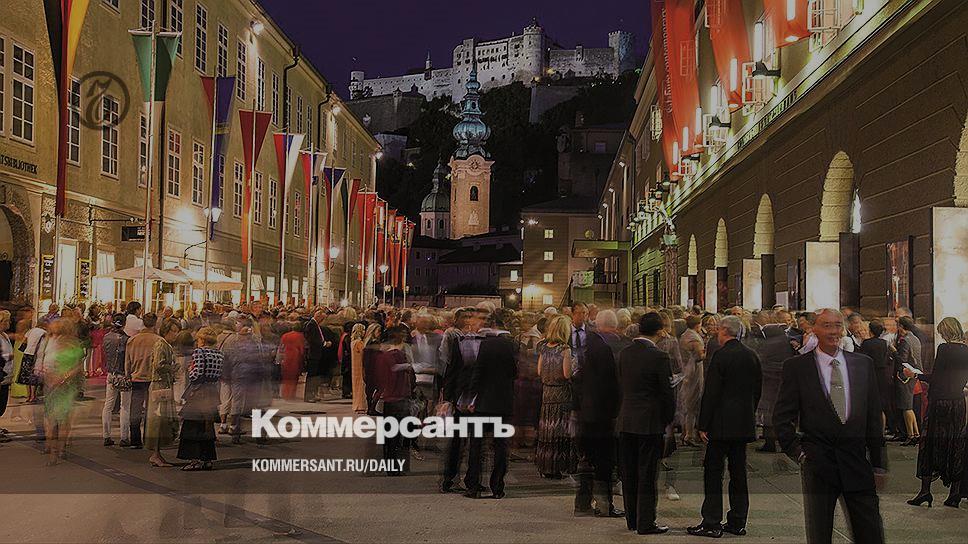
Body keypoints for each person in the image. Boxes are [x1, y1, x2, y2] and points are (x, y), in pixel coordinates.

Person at [773, 308, 887, 544]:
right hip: (819, 465)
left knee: (870, 531)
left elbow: (874, 418)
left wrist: (878, 463)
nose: (833, 331)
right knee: (820, 533)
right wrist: (799, 452)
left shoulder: (863, 364)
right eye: (826, 325)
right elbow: (782, 417)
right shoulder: (797, 367)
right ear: (814, 330)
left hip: (857, 463)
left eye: (837, 325)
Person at [687, 316, 762, 538]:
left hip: (720, 424)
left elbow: (712, 392)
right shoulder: (751, 356)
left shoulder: (721, 356)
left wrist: (703, 424)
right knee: (739, 473)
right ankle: (738, 520)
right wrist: (749, 412)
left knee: (713, 472)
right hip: (742, 423)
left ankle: (711, 522)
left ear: (724, 331)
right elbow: (757, 389)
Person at [616, 312, 675, 535]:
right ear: (659, 330)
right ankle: (646, 522)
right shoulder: (660, 357)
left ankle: (632, 519)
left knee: (629, 473)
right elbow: (667, 393)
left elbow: (621, 384)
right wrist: (667, 419)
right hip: (650, 422)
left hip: (627, 419)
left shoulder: (625, 353)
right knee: (647, 474)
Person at [906, 317, 968, 508]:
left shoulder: (944, 349)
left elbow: (937, 378)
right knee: (956, 444)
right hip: (958, 403)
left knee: (930, 443)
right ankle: (954, 494)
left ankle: (925, 492)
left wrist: (915, 374)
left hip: (941, 402)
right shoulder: (966, 350)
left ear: (946, 331)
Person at [572, 309, 623, 517]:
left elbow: (578, 378)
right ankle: (604, 505)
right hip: (604, 414)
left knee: (586, 459)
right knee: (604, 461)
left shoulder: (587, 345)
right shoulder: (611, 348)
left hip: (587, 411)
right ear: (615, 326)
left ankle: (582, 503)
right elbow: (612, 384)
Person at [464, 311, 517, 498]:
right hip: (503, 403)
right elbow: (514, 372)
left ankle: (473, 485)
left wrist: (471, 397)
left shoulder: (485, 345)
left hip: (483, 403)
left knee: (476, 446)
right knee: (501, 447)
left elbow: (478, 373)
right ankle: (497, 487)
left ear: (493, 325)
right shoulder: (512, 345)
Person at [534, 315, 577, 478]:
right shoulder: (565, 349)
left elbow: (539, 371)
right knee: (559, 432)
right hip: (561, 395)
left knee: (547, 431)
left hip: (547, 395)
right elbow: (567, 374)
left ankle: (545, 466)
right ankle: (557, 466)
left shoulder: (544, 347)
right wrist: (574, 365)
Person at [177, 326, 222, 471]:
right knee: (207, 426)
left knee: (192, 427)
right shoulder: (218, 353)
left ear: (202, 339)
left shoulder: (199, 352)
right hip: (212, 391)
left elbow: (195, 375)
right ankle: (207, 459)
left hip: (198, 392)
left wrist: (190, 370)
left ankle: (194, 460)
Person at [222, 315, 272, 443]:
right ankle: (252, 433)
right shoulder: (253, 342)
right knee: (252, 404)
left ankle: (237, 430)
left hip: (242, 375)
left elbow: (226, 360)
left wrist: (226, 375)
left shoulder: (235, 342)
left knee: (241, 404)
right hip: (247, 376)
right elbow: (261, 359)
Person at [42, 317, 85, 464]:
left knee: (54, 419)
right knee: (61, 419)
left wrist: (58, 378)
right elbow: (78, 367)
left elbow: (49, 364)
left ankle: (54, 451)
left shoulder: (57, 343)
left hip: (57, 384)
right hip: (62, 385)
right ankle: (59, 449)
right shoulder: (74, 345)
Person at [755, 314, 796, 453]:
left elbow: (762, 360)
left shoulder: (769, 344)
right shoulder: (785, 341)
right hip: (782, 381)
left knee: (769, 412)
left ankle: (770, 442)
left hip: (770, 382)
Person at [144, 320, 180, 467]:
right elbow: (158, 365)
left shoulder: (166, 344)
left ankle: (157, 453)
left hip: (164, 384)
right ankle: (155, 453)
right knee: (158, 420)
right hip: (160, 386)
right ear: (166, 331)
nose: (176, 334)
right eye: (173, 331)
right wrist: (173, 367)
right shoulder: (161, 344)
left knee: (162, 421)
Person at [124, 313, 163, 449]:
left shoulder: (132, 340)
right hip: (153, 378)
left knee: (135, 409)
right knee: (151, 410)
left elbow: (127, 361)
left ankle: (135, 439)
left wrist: (128, 374)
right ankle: (149, 438)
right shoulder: (159, 340)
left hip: (136, 377)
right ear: (155, 323)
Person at [858, 320, 893, 435]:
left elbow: (862, 359)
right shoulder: (884, 343)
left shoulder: (866, 343)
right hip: (883, 374)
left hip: (870, 374)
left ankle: (872, 431)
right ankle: (881, 432)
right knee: (882, 405)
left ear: (870, 330)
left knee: (870, 403)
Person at [101, 313, 131, 447]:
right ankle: (124, 437)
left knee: (108, 405)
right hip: (123, 374)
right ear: (124, 324)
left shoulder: (106, 337)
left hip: (111, 374)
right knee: (125, 407)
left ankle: (106, 436)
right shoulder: (126, 339)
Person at [893, 316, 922, 445]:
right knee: (909, 406)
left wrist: (894, 351)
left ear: (901, 326)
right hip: (914, 374)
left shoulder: (905, 340)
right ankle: (916, 433)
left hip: (906, 376)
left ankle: (911, 435)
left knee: (906, 407)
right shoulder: (915, 339)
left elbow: (902, 360)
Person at [678, 314, 705, 447]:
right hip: (694, 372)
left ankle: (685, 432)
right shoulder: (694, 338)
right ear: (698, 325)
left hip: (686, 370)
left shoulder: (684, 335)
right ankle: (689, 434)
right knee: (692, 404)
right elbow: (700, 356)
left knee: (686, 403)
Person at [303, 310, 337, 402]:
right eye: (322, 319)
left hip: (317, 354)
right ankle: (309, 396)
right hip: (313, 354)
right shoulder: (311, 325)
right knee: (311, 375)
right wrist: (325, 344)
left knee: (315, 375)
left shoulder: (315, 324)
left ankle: (313, 394)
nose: (323, 321)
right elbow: (312, 340)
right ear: (318, 316)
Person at [278, 318, 306, 401]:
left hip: (285, 356)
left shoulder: (285, 335)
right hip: (295, 357)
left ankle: (285, 394)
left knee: (286, 377)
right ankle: (291, 394)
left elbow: (281, 347)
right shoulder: (300, 336)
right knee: (294, 377)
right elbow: (302, 348)